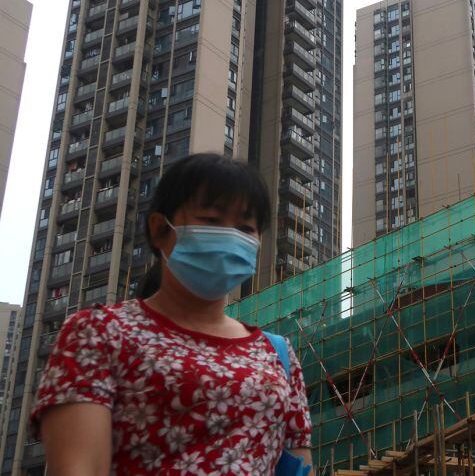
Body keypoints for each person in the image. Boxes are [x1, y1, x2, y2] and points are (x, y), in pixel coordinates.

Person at [32, 153, 313, 474]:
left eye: (246, 227)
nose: (230, 237)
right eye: (210, 220)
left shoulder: (278, 355)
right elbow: (78, 468)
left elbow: (299, 464)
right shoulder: (98, 333)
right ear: (159, 229)